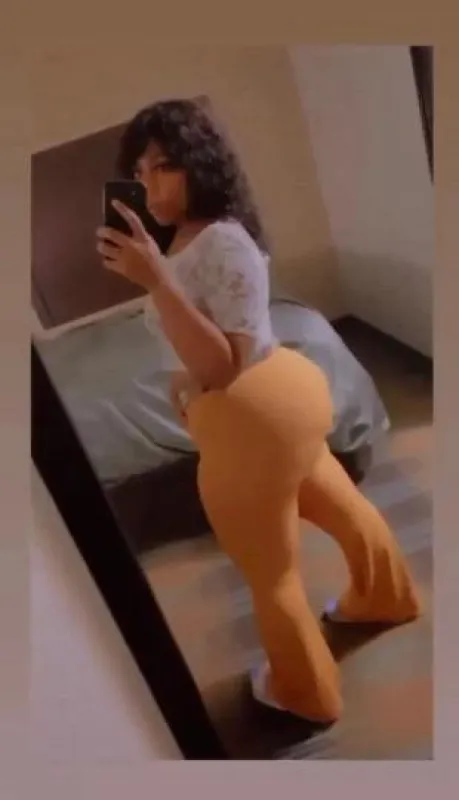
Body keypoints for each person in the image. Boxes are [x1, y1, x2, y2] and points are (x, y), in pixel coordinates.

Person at [96, 98, 422, 725]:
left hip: (252, 419)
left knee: (271, 570)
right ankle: (386, 596)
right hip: (282, 403)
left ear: (198, 164)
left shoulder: (221, 239)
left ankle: (305, 693)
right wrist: (178, 358)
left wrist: (158, 283)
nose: (149, 186)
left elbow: (226, 364)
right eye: (138, 172)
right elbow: (215, 342)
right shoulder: (190, 240)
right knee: (340, 503)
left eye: (164, 167)